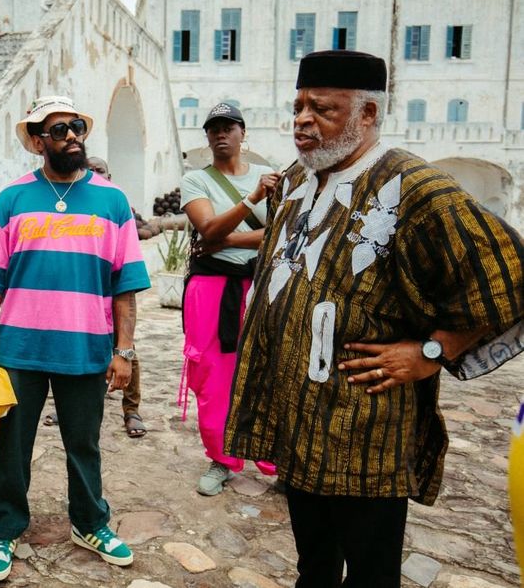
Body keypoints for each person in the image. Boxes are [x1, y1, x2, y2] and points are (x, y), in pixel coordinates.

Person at [224, 50, 524, 587]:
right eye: (297, 108)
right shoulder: (296, 179)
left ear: (367, 115)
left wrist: (434, 351)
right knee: (313, 564)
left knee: (371, 572)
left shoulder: (416, 187)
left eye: (323, 109)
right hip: (299, 417)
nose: (302, 121)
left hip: (365, 426)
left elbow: (507, 280)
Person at [0, 96, 150, 582]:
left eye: (76, 127)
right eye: (59, 129)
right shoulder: (12, 199)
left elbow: (125, 288)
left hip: (86, 347)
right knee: (13, 446)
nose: (71, 136)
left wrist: (124, 352)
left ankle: (90, 524)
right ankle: (3, 529)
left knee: (83, 444)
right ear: (38, 141)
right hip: (21, 350)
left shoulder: (112, 200)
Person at [179, 103, 280, 496]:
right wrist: (252, 200)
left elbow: (280, 233)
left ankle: (271, 456)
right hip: (212, 288)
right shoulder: (197, 181)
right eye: (213, 128)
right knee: (211, 374)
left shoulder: (269, 175)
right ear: (207, 137)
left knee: (265, 369)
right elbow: (206, 226)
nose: (221, 134)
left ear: (242, 132)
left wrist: (224, 240)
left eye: (228, 127)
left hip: (259, 284)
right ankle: (221, 459)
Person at [43, 155, 147, 438]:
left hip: (113, 295)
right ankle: (70, 406)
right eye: (90, 170)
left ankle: (131, 409)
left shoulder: (117, 204)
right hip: (80, 302)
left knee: (125, 350)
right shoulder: (69, 204)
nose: (94, 174)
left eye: (100, 170)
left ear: (109, 176)